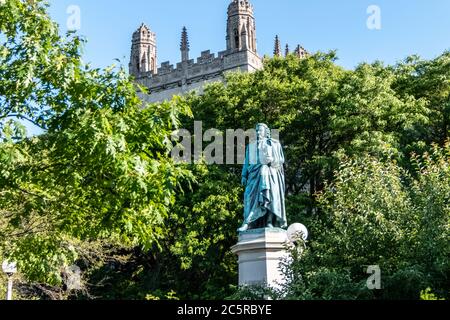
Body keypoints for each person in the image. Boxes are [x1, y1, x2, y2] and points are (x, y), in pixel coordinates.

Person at [238, 123, 287, 232]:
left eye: (260, 130)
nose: (258, 133)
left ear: (266, 132)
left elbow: (280, 160)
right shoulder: (251, 146)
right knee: (248, 196)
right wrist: (243, 175)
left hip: (269, 173)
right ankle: (249, 222)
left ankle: (269, 221)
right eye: (256, 131)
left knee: (269, 194)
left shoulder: (273, 144)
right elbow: (246, 162)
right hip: (253, 175)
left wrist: (272, 160)